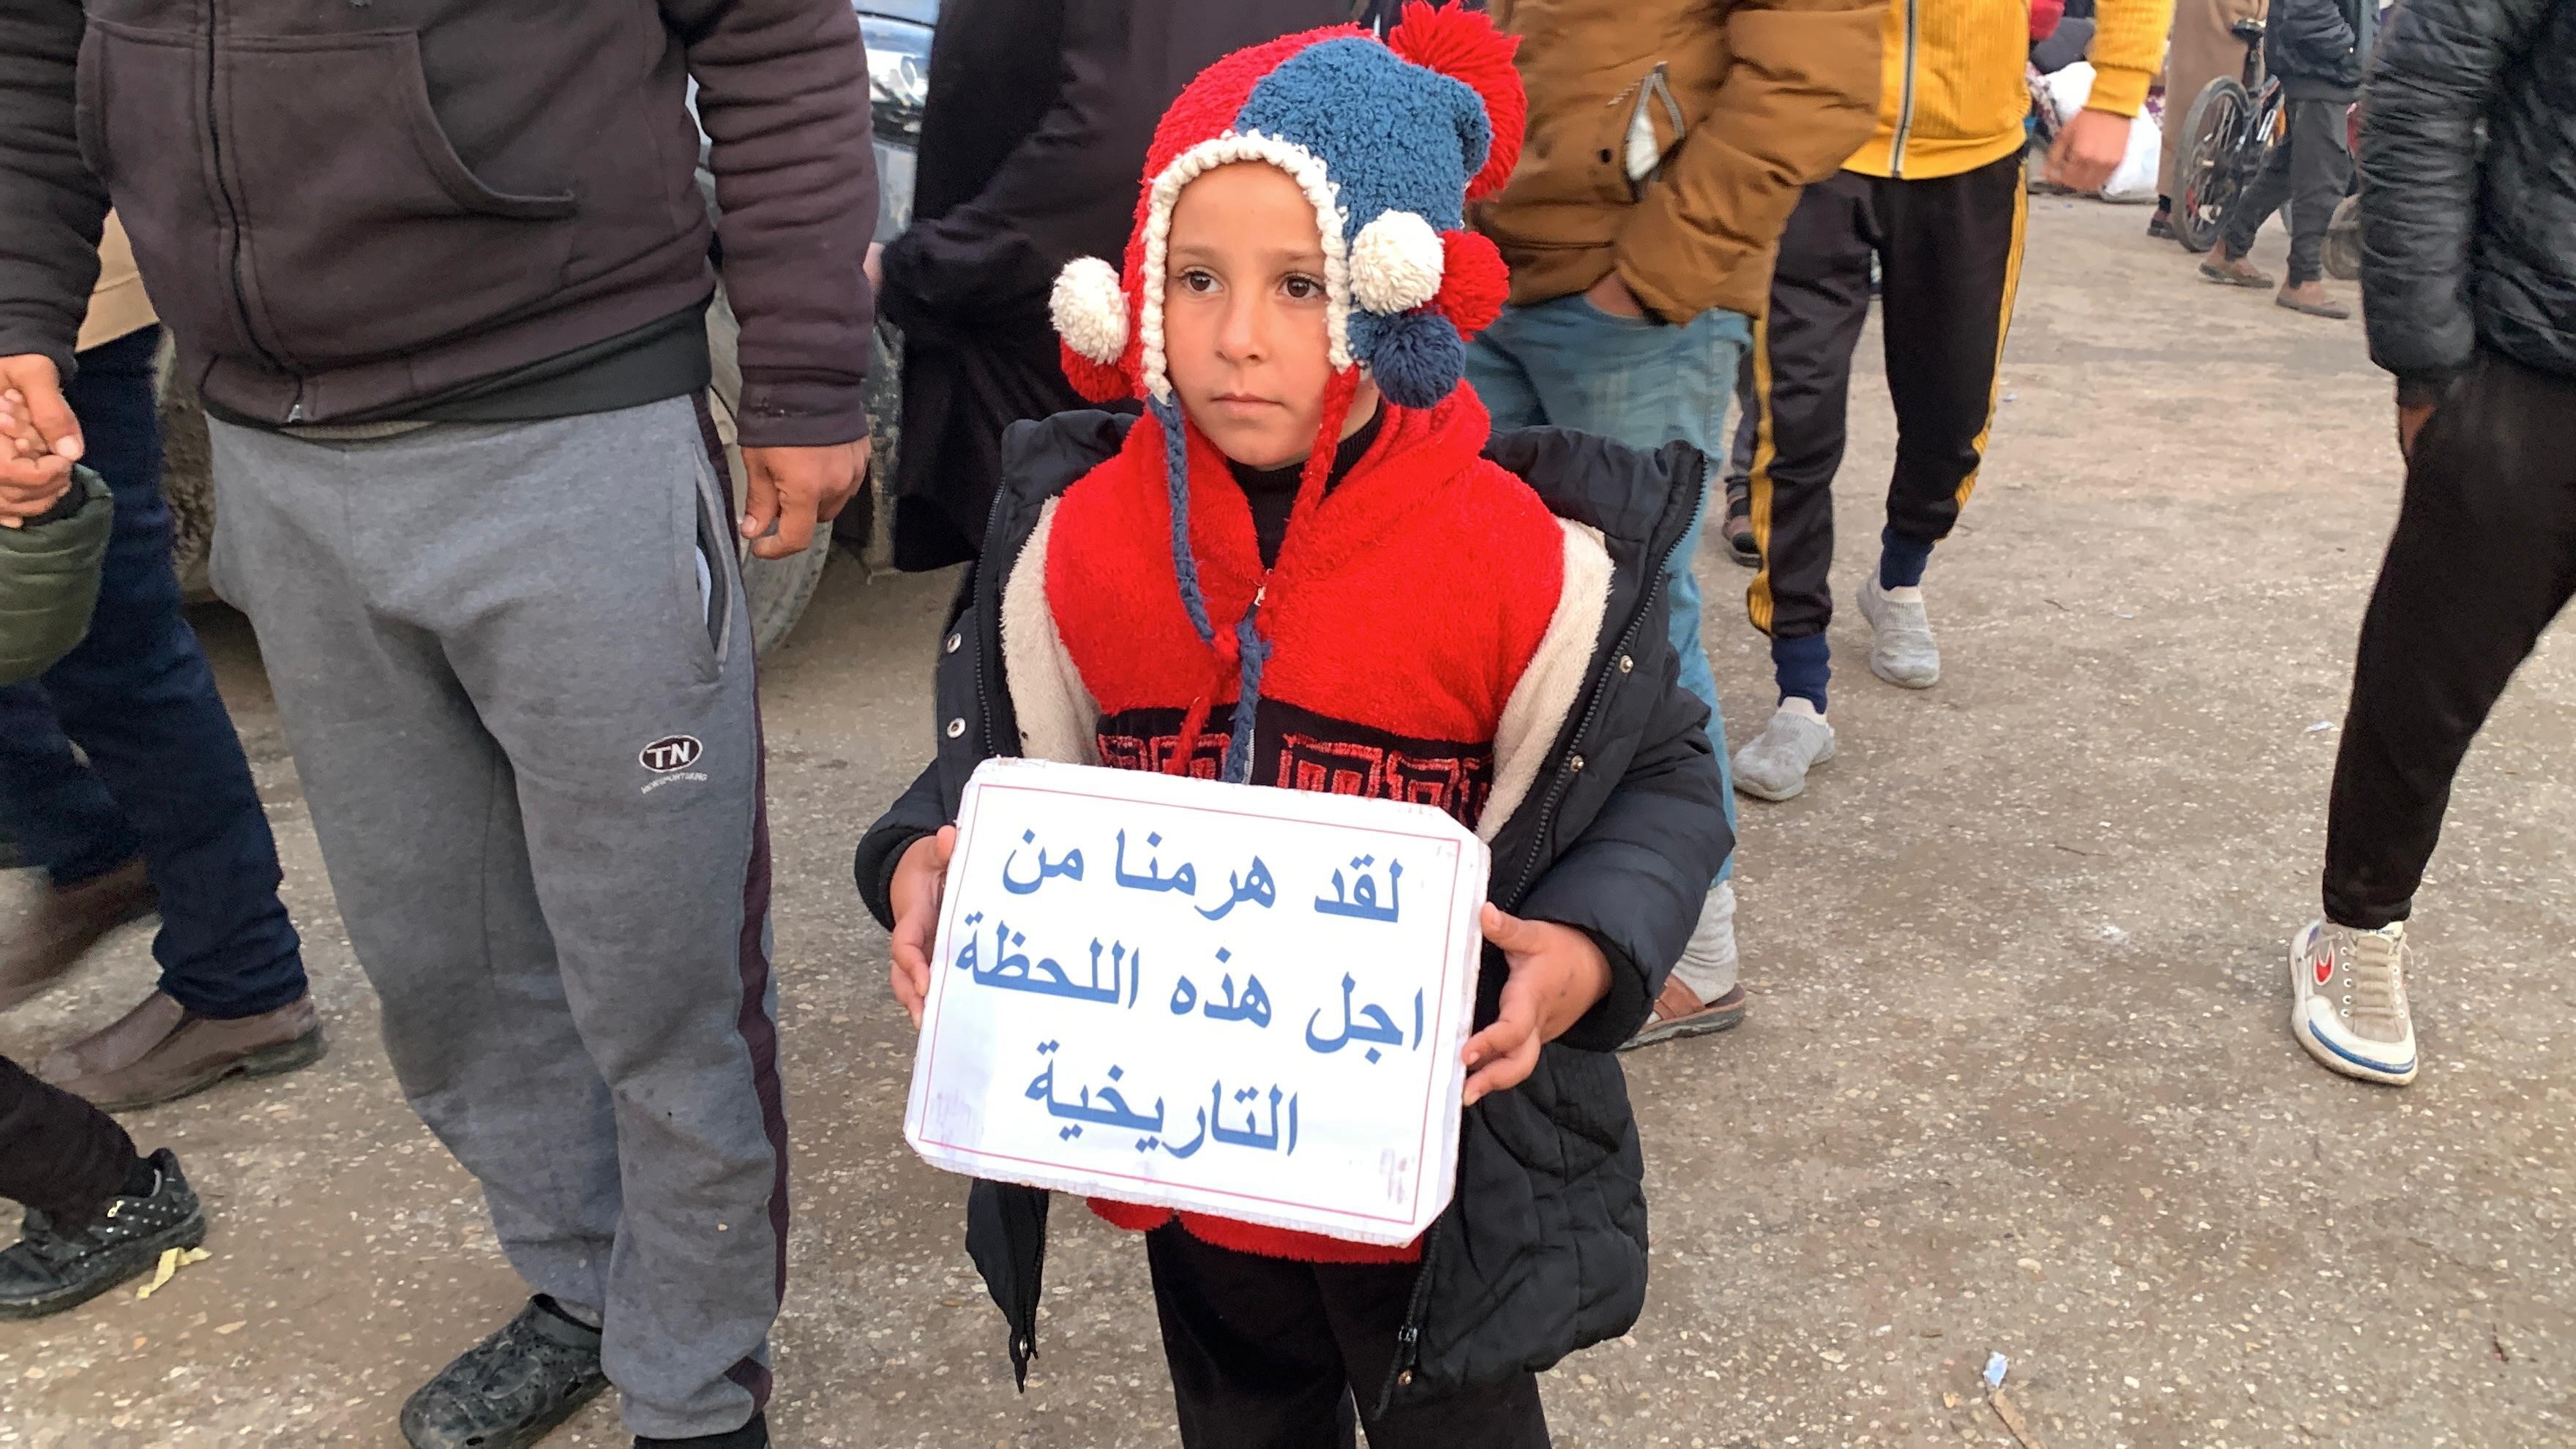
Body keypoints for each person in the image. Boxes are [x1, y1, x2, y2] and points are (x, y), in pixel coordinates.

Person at [0, 1, 878, 1445]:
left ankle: (694, 1386)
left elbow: (774, 31)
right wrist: (18, 310)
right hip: (275, 457)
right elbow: (37, 39)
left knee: (662, 980)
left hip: (573, 427)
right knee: (441, 968)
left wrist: (802, 364)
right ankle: (586, 1284)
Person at [855, 12, 1731, 1443]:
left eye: (1301, 283)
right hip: (1189, 1187)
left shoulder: (1512, 558)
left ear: (1403, 290)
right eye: (1196, 277)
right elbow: (994, 767)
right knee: (1243, 1422)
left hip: (1439, 1185)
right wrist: (919, 859)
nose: (1239, 335)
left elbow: (1658, 775)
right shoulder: (1076, 543)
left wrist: (1582, 952)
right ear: (1134, 287)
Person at [1461, 0, 1883, 1044]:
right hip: (1491, 271)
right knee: (1489, 597)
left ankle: (1694, 946)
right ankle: (1510, 909)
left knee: (1642, 615)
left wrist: (1651, 277)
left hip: (1636, 300)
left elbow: (1815, 81)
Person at [1729, 0, 2173, 803]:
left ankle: (1897, 580)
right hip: (1808, 141)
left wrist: (2115, 95)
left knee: (1949, 413)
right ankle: (1801, 689)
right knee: (1792, 423)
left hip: (1972, 153)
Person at [2286, 0, 2573, 1087]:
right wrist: (2429, 359)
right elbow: (2426, 87)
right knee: (2429, 681)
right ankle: (2357, 932)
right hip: (2536, 357)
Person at [0, 217, 319, 1114]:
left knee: (111, 637)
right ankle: (86, 843)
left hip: (44, 296)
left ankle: (243, 979)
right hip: (48, 281)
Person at [877, 0, 1352, 571]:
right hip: (1098, 348)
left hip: (1076, 357)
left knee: (1104, 606)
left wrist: (926, 265)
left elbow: (1127, 139)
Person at [2198, 0, 2373, 316]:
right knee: (2324, 173)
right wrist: (2346, 49)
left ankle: (2230, 248)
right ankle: (2303, 279)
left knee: (2291, 164)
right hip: (2321, 67)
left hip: (2319, 63)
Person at [2149, 0, 2271, 239]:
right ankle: (2185, 204)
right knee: (2218, 112)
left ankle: (2167, 205)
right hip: (2231, 20)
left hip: (2194, 16)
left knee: (2183, 108)